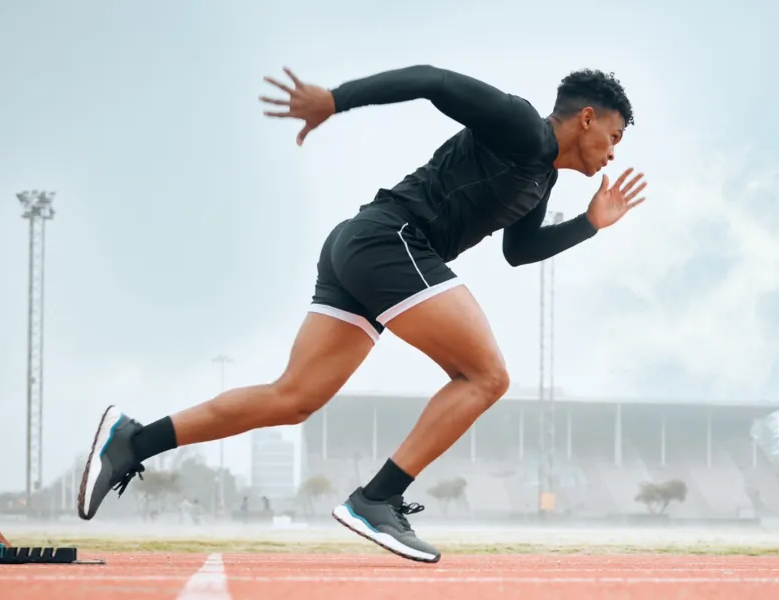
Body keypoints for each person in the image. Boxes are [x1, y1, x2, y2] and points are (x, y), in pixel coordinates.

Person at [77, 64, 646, 564]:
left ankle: (133, 441)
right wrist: (335, 99)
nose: (614, 153)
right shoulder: (521, 125)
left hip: (364, 247)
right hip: (390, 241)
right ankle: (378, 499)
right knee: (486, 376)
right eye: (614, 137)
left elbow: (518, 252)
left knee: (293, 398)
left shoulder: (541, 177)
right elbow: (434, 81)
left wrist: (589, 225)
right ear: (588, 119)